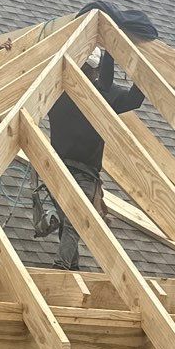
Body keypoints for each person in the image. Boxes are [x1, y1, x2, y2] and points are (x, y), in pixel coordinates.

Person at [35, 47, 145, 270]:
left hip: (55, 170)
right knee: (75, 221)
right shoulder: (103, 95)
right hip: (83, 173)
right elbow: (134, 99)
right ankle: (62, 267)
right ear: (94, 71)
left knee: (69, 221)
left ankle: (71, 268)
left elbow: (29, 79)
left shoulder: (57, 88)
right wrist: (141, 68)